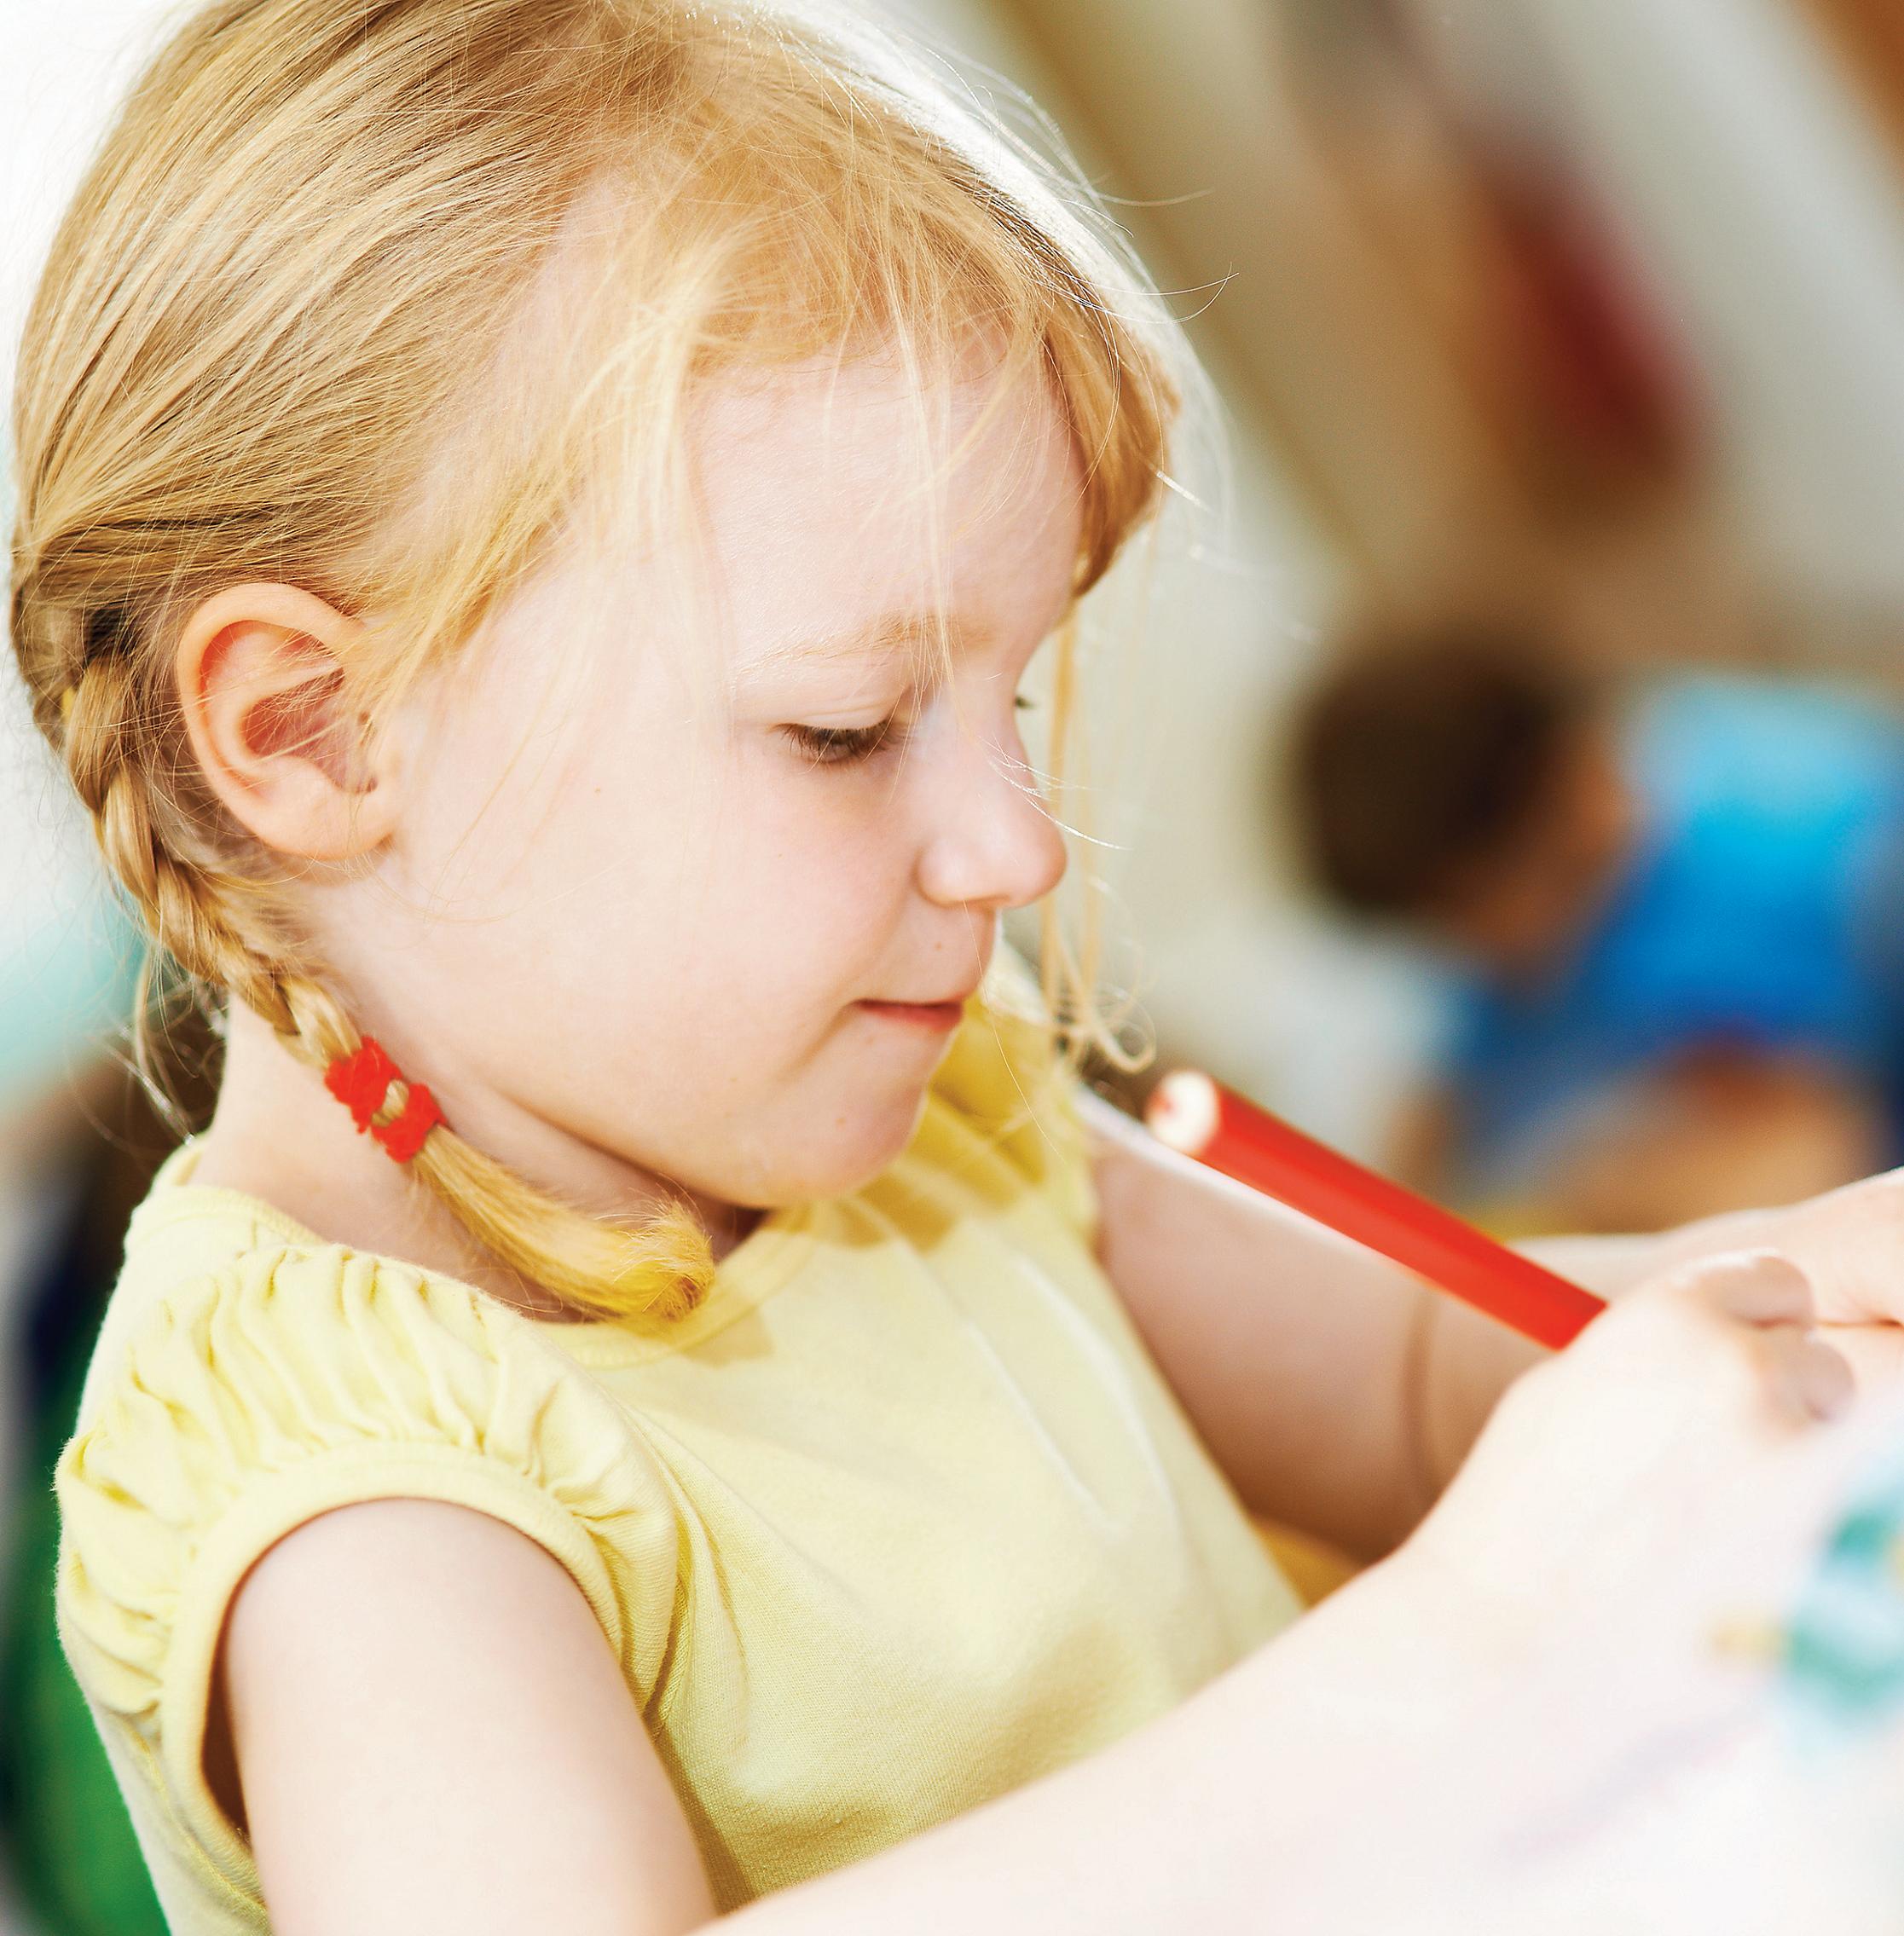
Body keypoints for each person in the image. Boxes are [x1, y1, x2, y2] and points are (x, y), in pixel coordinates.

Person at [13, 4, 1904, 1931]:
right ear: (317, 730)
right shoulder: (354, 1476)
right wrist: (1457, 1636)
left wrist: (1812, 1276)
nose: (1013, 844)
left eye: (1004, 697)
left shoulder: (942, 1127)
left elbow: (1435, 1369)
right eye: (846, 729)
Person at [1291, 630, 1904, 1218]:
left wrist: (1608, 1196)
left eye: (1464, 914)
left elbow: (1820, 1154)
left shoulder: (1821, 846)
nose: (1465, 952)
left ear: (1569, 791)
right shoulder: (1541, 929)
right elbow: (1444, 1101)